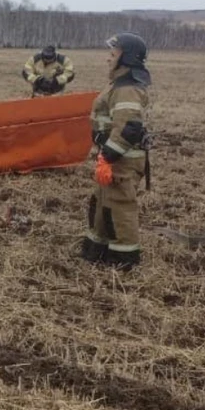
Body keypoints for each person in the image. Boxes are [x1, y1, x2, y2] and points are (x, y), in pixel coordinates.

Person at [80, 32, 151, 270]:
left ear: (126, 58)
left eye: (113, 54)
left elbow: (129, 128)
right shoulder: (117, 85)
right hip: (111, 158)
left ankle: (124, 259)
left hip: (122, 161)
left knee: (119, 207)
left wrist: (109, 156)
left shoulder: (127, 89)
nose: (108, 58)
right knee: (101, 204)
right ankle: (97, 250)